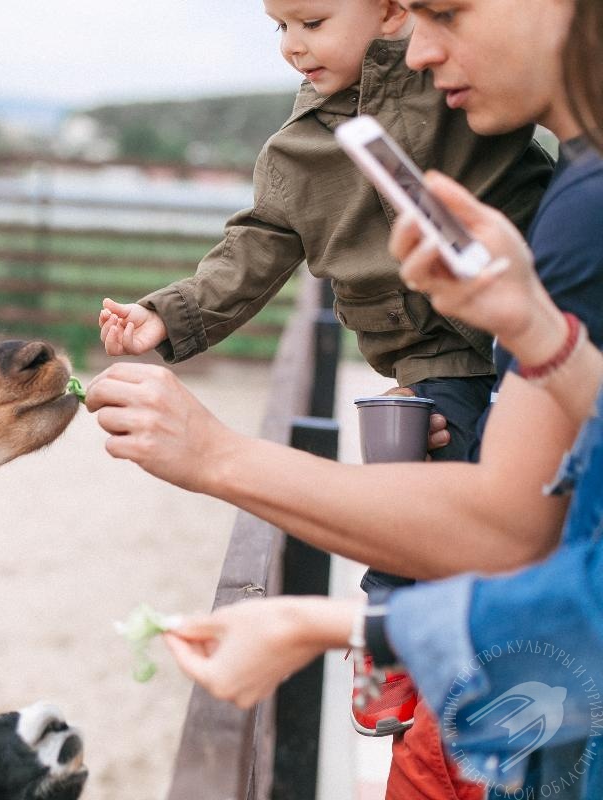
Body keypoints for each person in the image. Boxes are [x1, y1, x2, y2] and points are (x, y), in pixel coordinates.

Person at [85, 0, 603, 794]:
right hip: (448, 359)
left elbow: (510, 533)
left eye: (446, 12)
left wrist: (218, 458)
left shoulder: (568, 195)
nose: (425, 48)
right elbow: (253, 246)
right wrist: (535, 331)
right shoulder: (304, 148)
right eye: (280, 29)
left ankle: (391, 655)